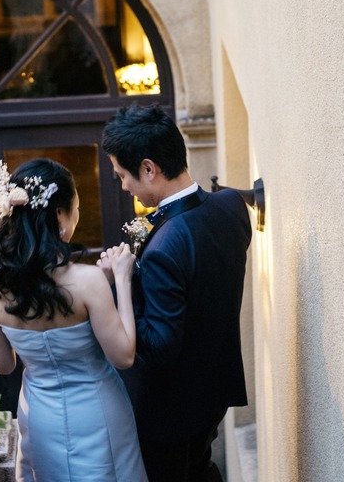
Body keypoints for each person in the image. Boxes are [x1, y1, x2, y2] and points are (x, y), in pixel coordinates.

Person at [98, 103, 253, 482]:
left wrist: (124, 282)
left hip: (167, 413)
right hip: (213, 391)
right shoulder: (232, 206)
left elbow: (160, 346)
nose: (123, 185)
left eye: (123, 175)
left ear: (149, 169)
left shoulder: (166, 246)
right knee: (201, 470)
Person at [0, 158, 148, 482]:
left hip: (40, 415)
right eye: (76, 207)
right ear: (60, 216)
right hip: (97, 412)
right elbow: (123, 356)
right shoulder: (89, 281)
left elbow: (4, 366)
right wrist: (121, 281)